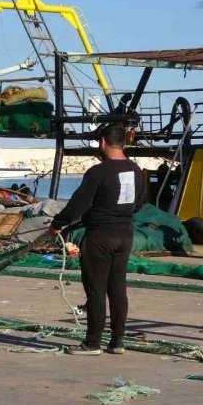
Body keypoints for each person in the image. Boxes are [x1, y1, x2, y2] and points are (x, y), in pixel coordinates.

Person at [48, 123, 145, 355]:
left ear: (102, 142)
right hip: (125, 236)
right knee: (118, 288)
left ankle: (92, 343)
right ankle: (117, 341)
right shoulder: (136, 171)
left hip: (99, 237)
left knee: (96, 290)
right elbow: (138, 204)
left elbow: (78, 204)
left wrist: (57, 224)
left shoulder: (98, 172)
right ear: (123, 142)